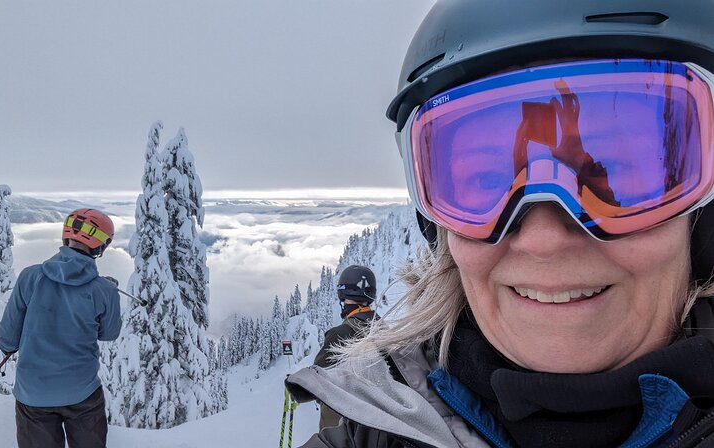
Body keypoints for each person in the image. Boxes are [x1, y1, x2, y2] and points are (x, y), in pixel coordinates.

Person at [286, 0, 714, 446]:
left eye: (611, 173)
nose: (544, 240)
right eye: (487, 181)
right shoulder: (376, 434)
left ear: (703, 220)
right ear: (441, 231)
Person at [0, 208, 122, 448]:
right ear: (100, 246)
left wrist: (9, 349)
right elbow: (109, 333)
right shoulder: (104, 291)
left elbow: (9, 337)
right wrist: (109, 294)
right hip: (82, 391)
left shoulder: (29, 277)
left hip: (33, 393)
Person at [312, 264, 381, 430]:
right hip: (378, 426)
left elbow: (317, 382)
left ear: (343, 295)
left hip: (341, 429)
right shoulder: (382, 329)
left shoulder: (340, 334)